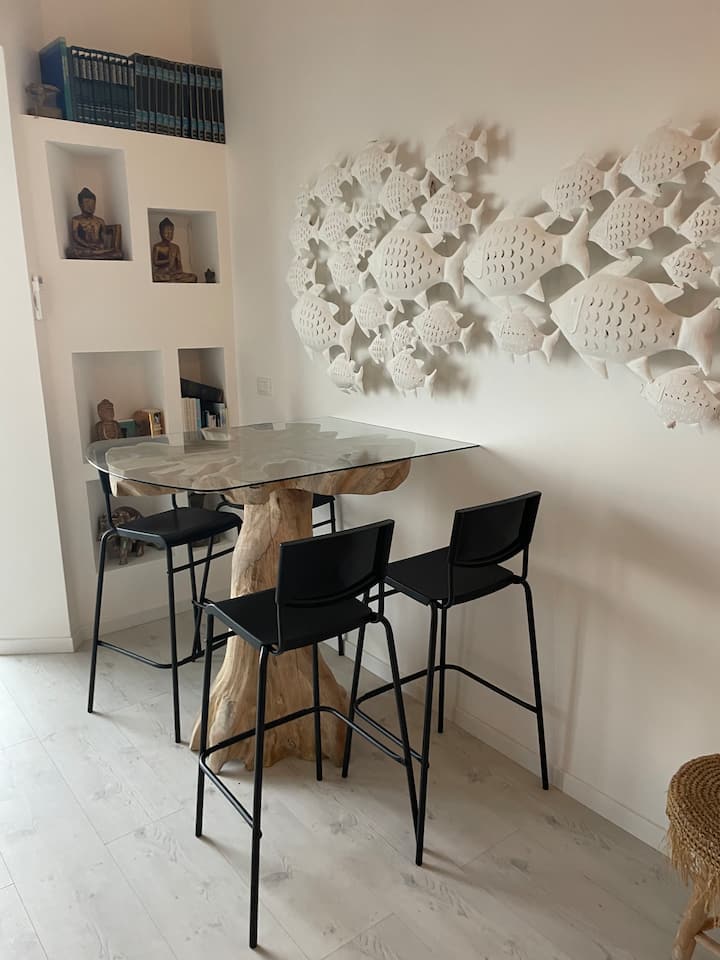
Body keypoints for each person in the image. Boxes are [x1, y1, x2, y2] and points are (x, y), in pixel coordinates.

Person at [68, 187, 122, 259]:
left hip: (97, 248)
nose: (90, 206)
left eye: (93, 203)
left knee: (118, 253)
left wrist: (100, 245)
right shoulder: (76, 220)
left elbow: (103, 238)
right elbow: (76, 237)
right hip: (84, 248)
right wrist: (88, 245)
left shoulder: (100, 221)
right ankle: (98, 254)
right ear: (80, 204)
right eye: (87, 203)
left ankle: (97, 254)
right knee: (72, 252)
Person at [151, 217, 197, 282]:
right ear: (161, 232)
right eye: (167, 232)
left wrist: (177, 271)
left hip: (174, 274)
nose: (169, 234)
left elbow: (179, 265)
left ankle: (173, 280)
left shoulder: (176, 247)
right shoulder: (157, 246)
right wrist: (167, 261)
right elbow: (155, 263)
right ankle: (172, 280)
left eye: (171, 232)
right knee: (156, 276)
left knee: (193, 277)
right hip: (162, 273)